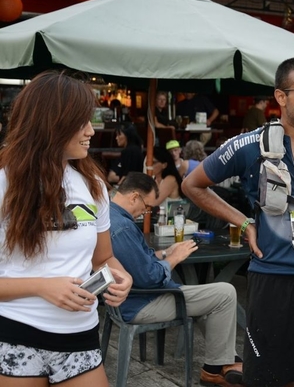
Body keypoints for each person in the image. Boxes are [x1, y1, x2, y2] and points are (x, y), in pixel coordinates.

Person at [182, 57, 294, 387]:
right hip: (275, 281)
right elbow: (192, 184)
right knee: (276, 380)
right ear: (281, 97)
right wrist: (243, 222)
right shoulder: (250, 144)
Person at [0, 71, 132, 386]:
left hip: (80, 335)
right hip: (17, 334)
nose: (91, 130)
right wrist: (42, 287)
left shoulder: (93, 184)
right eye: (80, 121)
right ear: (51, 123)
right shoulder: (5, 183)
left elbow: (103, 258)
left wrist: (121, 276)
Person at [109, 172, 243, 386]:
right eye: (146, 207)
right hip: (141, 302)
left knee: (210, 300)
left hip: (131, 299)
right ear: (134, 197)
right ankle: (215, 369)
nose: (145, 212)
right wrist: (174, 258)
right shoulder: (123, 227)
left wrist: (165, 253)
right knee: (225, 293)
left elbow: (139, 263)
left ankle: (227, 363)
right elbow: (150, 278)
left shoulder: (109, 216)